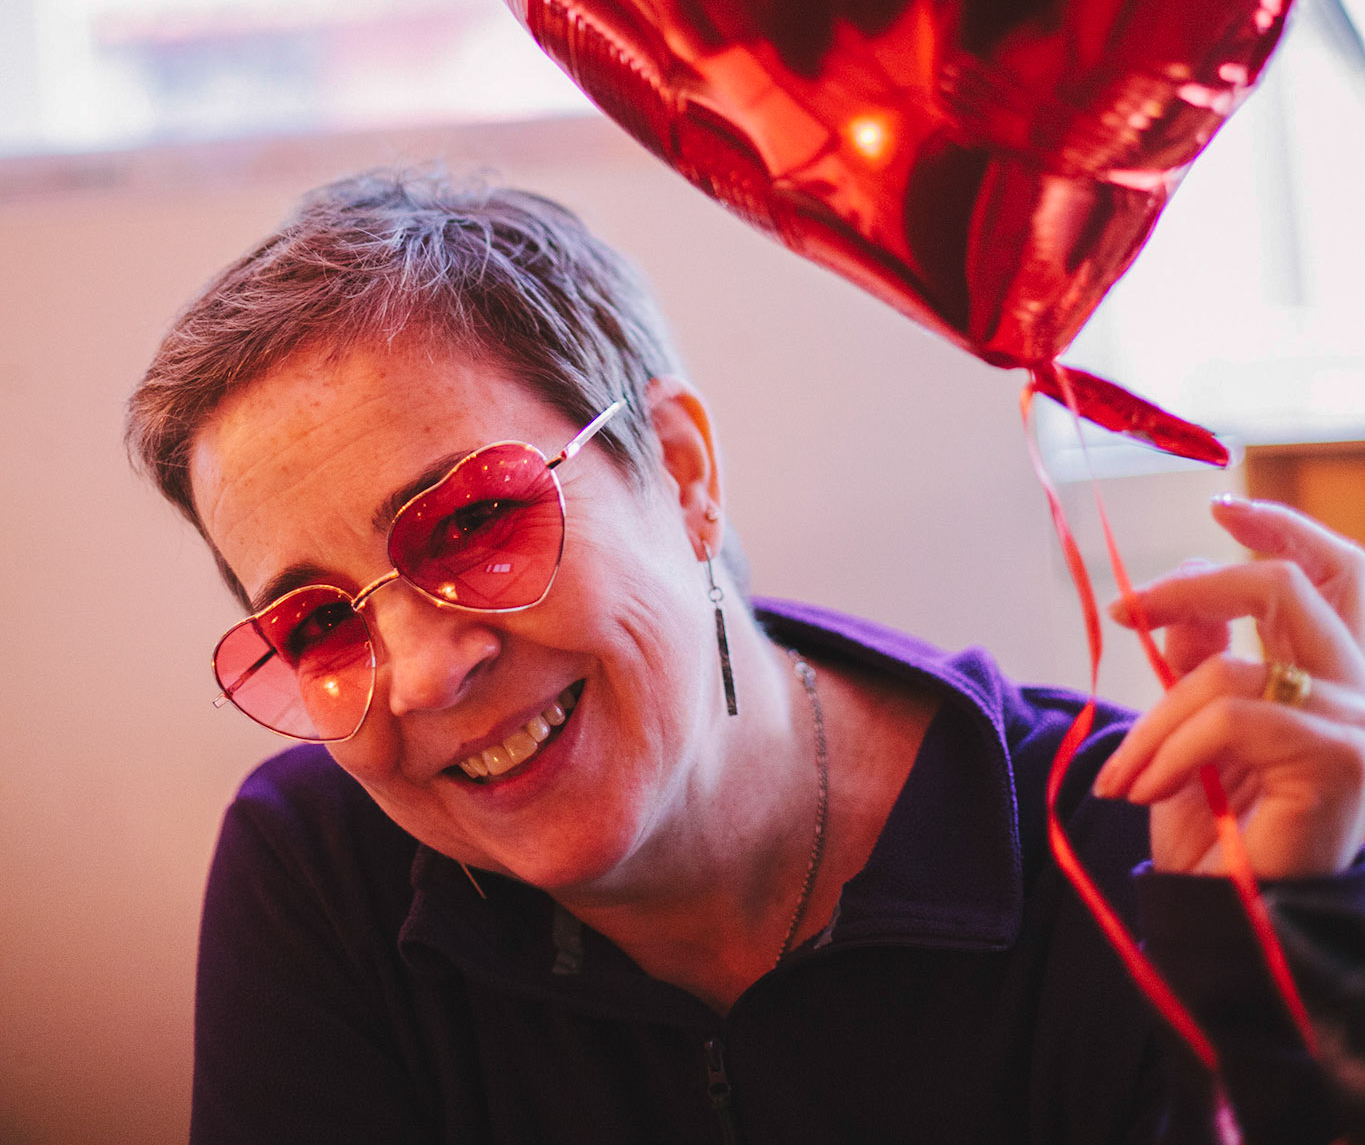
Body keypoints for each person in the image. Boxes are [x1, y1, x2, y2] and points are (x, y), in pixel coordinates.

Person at [126, 170, 1365, 1145]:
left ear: (680, 471)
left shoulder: (1142, 843)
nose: (422, 671)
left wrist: (1274, 992)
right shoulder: (321, 869)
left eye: (474, 519)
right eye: (318, 624)